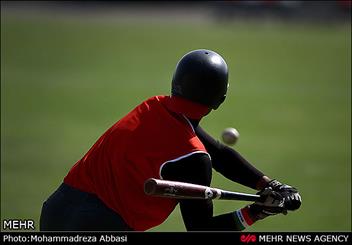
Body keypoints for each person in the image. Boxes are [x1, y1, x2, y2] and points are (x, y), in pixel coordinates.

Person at [40, 49, 301, 231]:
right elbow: (201, 230)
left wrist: (272, 184)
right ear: (220, 101)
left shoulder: (153, 107)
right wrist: (256, 212)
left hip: (57, 210)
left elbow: (218, 154)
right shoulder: (194, 159)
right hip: (103, 226)